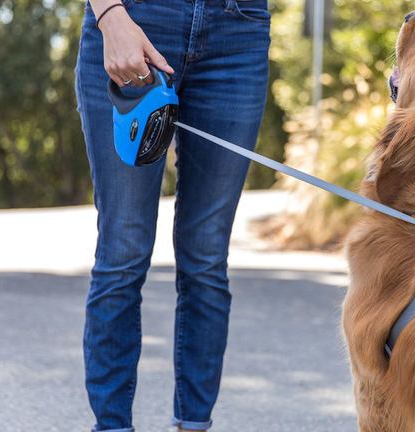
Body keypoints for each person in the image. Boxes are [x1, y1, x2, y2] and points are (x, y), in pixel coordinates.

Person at [74, 0, 270, 430]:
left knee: (206, 260)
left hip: (237, 32)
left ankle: (194, 425)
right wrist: (110, 15)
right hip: (134, 16)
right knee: (123, 253)